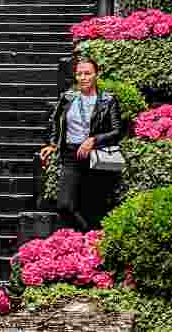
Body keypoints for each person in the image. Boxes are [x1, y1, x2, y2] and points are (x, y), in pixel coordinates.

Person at [39, 55, 122, 231]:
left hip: (95, 157)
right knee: (64, 205)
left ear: (96, 75)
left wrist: (93, 140)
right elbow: (57, 122)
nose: (83, 78)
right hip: (71, 155)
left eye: (87, 73)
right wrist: (53, 144)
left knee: (92, 207)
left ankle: (91, 243)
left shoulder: (108, 100)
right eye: (79, 74)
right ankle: (87, 234)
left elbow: (117, 131)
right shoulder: (68, 98)